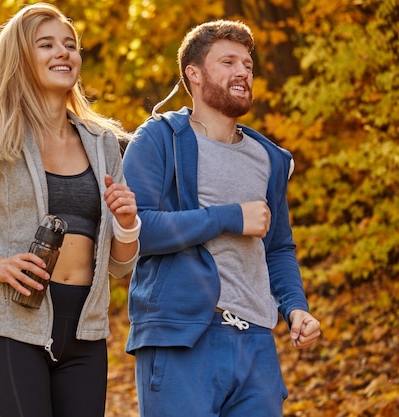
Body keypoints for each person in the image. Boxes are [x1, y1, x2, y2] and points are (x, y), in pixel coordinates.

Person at [0, 4, 140, 417]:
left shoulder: (103, 144)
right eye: (47, 44)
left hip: (85, 335)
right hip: (9, 332)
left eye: (70, 45)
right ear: (19, 58)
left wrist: (127, 224)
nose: (63, 53)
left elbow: (120, 267)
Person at [122, 20, 321, 417]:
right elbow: (137, 229)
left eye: (247, 64)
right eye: (228, 61)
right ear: (193, 74)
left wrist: (295, 306)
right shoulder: (159, 138)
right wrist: (229, 217)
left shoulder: (269, 158)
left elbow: (278, 247)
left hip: (256, 345)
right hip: (182, 338)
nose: (243, 72)